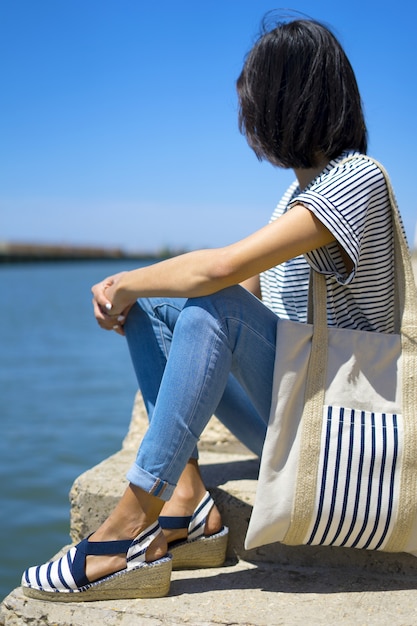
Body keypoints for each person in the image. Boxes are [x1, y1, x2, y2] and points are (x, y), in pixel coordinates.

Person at [21, 15, 401, 601]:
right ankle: (188, 502)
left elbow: (222, 273)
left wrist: (125, 281)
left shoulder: (358, 180)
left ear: (286, 100)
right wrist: (140, 299)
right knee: (160, 308)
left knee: (203, 300)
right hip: (289, 419)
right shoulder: (292, 201)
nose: (246, 116)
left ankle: (125, 531)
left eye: (252, 98)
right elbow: (240, 296)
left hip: (345, 427)